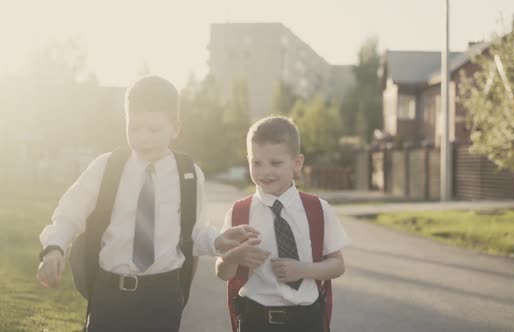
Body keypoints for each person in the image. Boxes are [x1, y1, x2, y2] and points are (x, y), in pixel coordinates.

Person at [36, 75, 256, 332]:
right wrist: (54, 248)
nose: (142, 138)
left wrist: (218, 241)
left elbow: (195, 232)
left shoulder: (188, 174)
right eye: (134, 128)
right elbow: (69, 213)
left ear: (176, 128)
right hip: (110, 293)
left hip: (162, 297)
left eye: (154, 130)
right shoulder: (107, 167)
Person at [216, 116, 349, 332]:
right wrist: (235, 257)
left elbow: (338, 265)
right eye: (256, 163)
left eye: (275, 163)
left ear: (297, 163)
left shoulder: (318, 209)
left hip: (306, 320)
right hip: (255, 319)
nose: (265, 171)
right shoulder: (239, 212)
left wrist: (303, 270)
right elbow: (223, 272)